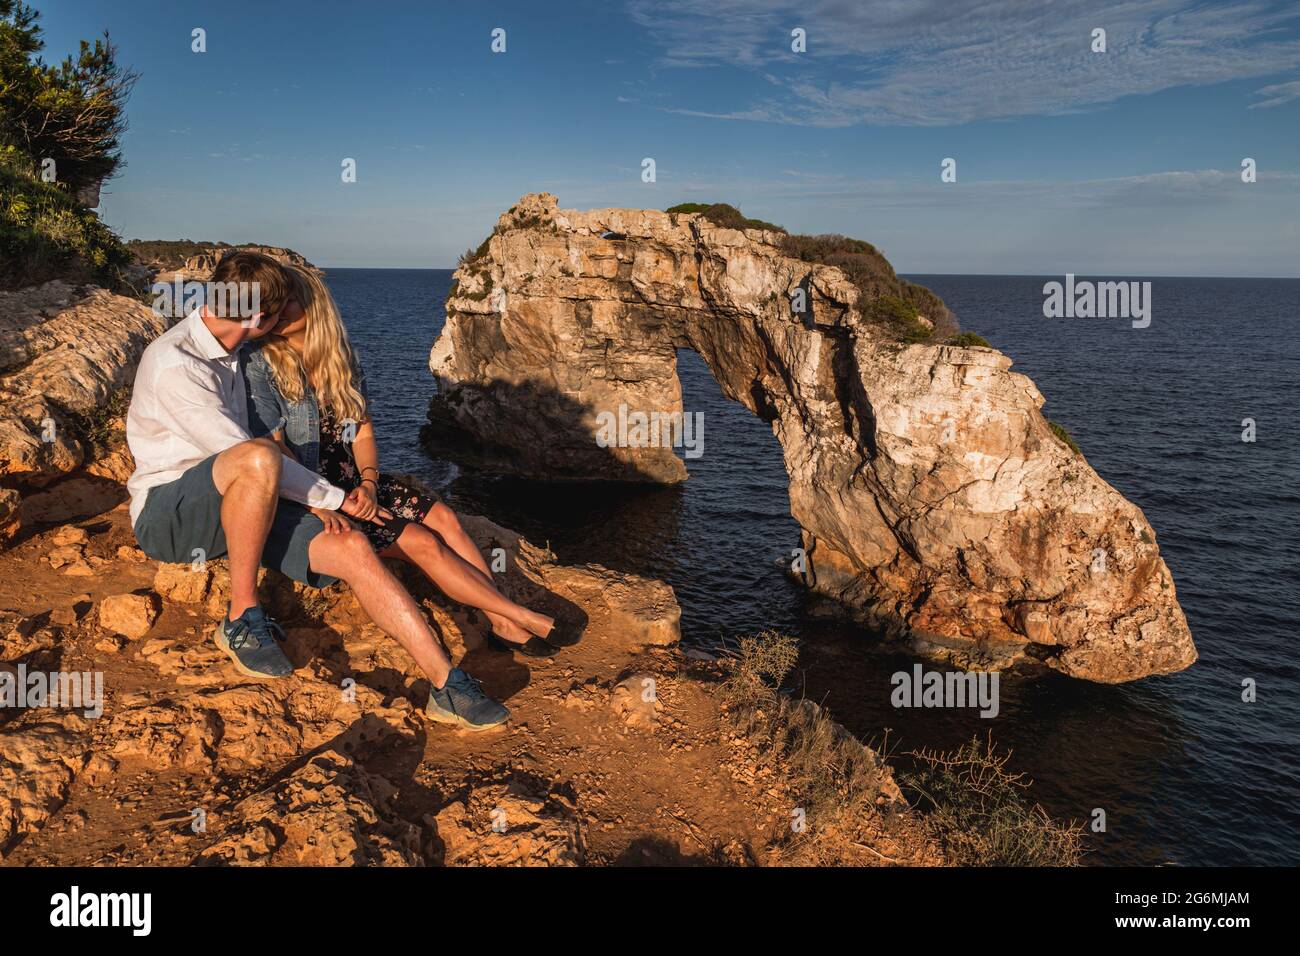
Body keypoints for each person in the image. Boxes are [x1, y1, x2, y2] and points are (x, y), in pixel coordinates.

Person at [125, 251, 510, 730]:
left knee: (353, 546)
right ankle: (242, 616)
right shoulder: (176, 363)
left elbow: (280, 459)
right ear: (260, 319)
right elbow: (244, 455)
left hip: (252, 502)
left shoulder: (237, 355)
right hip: (171, 515)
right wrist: (334, 498)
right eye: (284, 307)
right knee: (257, 456)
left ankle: (446, 685)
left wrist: (324, 500)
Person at [242, 265, 570, 658]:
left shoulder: (341, 358)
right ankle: (519, 616)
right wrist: (321, 503)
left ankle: (500, 622)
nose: (274, 313)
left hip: (353, 484)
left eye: (286, 302)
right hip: (310, 493)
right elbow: (274, 448)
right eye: (270, 305)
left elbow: (362, 433)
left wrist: (368, 483)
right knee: (423, 542)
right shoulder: (260, 363)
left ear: (314, 304)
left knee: (446, 520)